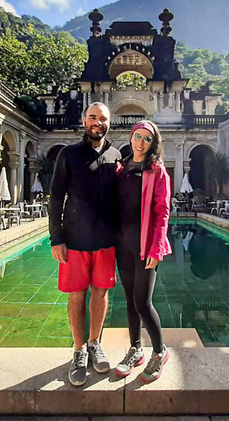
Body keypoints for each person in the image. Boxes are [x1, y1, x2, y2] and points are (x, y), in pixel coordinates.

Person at [49, 102, 121, 387]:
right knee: (77, 296)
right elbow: (55, 197)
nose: (97, 122)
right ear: (84, 120)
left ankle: (94, 343)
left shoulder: (117, 155)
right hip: (75, 239)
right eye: (92, 117)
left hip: (105, 240)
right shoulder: (68, 154)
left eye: (102, 118)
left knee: (101, 294)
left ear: (109, 123)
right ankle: (78, 351)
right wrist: (57, 238)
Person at [113, 120, 173, 383]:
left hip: (145, 244)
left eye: (146, 138)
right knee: (128, 299)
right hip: (122, 243)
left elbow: (163, 211)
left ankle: (159, 352)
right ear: (130, 137)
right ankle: (136, 349)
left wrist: (157, 246)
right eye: (137, 136)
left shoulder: (157, 171)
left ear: (153, 143)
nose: (140, 142)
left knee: (143, 302)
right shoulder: (121, 168)